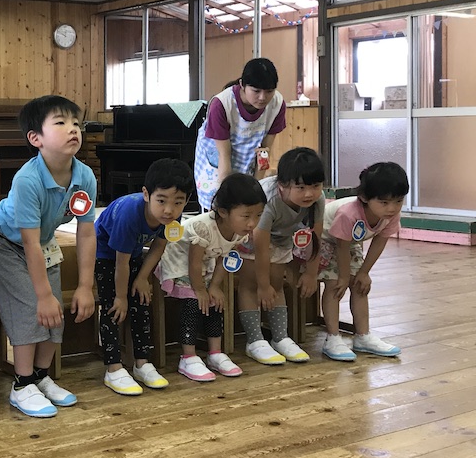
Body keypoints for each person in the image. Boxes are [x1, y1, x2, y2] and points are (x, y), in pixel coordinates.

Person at [0, 95, 97, 418]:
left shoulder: (85, 177)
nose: (73, 129)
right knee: (31, 309)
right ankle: (21, 385)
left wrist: (85, 286)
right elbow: (28, 242)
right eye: (60, 123)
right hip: (7, 244)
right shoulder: (28, 180)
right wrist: (43, 295)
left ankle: (39, 376)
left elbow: (86, 233)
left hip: (43, 243)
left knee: (54, 314)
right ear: (36, 138)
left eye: (76, 123)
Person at [93, 158, 193, 395]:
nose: (169, 210)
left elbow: (159, 246)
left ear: (186, 200)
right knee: (113, 308)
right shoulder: (129, 213)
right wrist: (120, 297)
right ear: (146, 194)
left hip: (133, 254)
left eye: (178, 202)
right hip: (104, 254)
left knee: (141, 302)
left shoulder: (173, 217)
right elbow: (120, 262)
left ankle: (142, 363)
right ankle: (113, 368)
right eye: (161, 200)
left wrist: (141, 278)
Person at [157, 174, 266, 381]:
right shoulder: (203, 228)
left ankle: (215, 352)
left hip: (204, 267)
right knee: (193, 303)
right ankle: (188, 357)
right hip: (178, 264)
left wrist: (215, 286)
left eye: (258, 215)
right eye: (246, 216)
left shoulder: (239, 230)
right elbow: (193, 262)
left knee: (215, 302)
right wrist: (200, 290)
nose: (252, 223)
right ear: (223, 211)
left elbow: (226, 258)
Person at [234, 147, 326, 365]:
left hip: (282, 237)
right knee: (251, 284)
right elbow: (260, 246)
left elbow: (316, 237)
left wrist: (311, 274)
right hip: (250, 237)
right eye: (300, 188)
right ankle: (255, 341)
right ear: (282, 185)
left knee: (276, 283)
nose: (309, 194)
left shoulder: (318, 200)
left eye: (315, 186)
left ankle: (280, 337)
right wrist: (262, 285)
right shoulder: (268, 199)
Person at [318, 162, 409, 361]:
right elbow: (341, 246)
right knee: (335, 284)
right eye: (384, 202)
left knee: (360, 285)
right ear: (365, 198)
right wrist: (344, 276)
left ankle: (363, 336)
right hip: (324, 240)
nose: (392, 208)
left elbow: (379, 241)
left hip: (349, 243)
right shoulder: (348, 214)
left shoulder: (391, 215)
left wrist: (364, 272)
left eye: (399, 201)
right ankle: (332, 338)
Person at [194, 57, 286, 211]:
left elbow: (264, 152)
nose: (262, 97)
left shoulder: (277, 104)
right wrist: (226, 198)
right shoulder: (222, 104)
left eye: (269, 91)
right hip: (218, 160)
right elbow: (224, 156)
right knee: (221, 207)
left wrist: (256, 188)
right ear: (242, 84)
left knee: (248, 202)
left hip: (248, 157)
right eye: (256, 91)